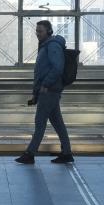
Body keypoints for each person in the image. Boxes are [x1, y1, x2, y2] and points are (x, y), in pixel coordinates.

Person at [16, 20, 74, 165]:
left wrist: (45, 84)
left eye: (40, 31)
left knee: (40, 122)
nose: (37, 33)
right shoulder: (46, 46)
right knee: (57, 123)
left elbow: (57, 67)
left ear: (48, 31)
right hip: (48, 90)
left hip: (49, 90)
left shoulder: (52, 46)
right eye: (37, 31)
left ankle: (30, 153)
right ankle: (66, 153)